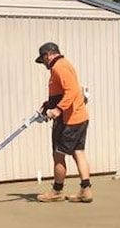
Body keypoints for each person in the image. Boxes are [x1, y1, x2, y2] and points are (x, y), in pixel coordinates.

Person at [34, 42, 92, 203]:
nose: (43, 64)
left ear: (48, 55)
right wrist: (47, 106)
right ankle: (85, 190)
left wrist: (58, 110)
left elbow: (72, 91)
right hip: (79, 118)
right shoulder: (62, 67)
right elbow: (62, 94)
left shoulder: (60, 67)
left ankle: (57, 191)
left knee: (58, 154)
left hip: (69, 121)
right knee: (78, 152)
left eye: (43, 60)